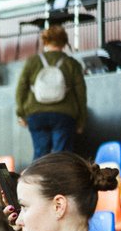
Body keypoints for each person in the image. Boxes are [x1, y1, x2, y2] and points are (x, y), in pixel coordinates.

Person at [15, 25, 87, 159]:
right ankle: (61, 179)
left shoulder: (33, 61)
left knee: (40, 155)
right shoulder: (72, 63)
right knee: (62, 157)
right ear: (64, 42)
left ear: (45, 41)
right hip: (64, 115)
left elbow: (21, 89)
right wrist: (81, 121)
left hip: (36, 114)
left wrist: (21, 114)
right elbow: (81, 94)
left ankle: (37, 179)